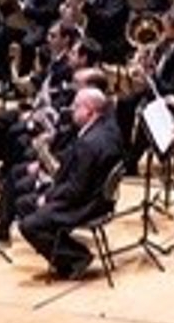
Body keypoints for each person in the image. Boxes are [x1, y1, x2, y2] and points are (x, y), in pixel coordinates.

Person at [19, 88, 126, 278]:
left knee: (29, 225)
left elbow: (76, 190)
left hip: (86, 204)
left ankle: (76, 257)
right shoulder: (109, 129)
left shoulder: (89, 143)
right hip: (97, 196)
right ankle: (60, 246)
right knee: (24, 203)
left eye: (76, 107)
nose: (71, 110)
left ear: (89, 111)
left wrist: (48, 197)